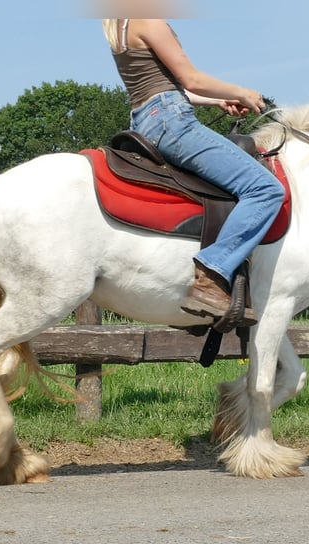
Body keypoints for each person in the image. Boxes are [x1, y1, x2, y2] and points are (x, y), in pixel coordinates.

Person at [102, 18, 285, 326]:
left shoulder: (119, 26)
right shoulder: (149, 20)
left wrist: (217, 100)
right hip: (170, 121)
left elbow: (167, 84)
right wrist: (242, 92)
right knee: (266, 189)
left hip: (146, 120)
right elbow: (191, 78)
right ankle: (212, 276)